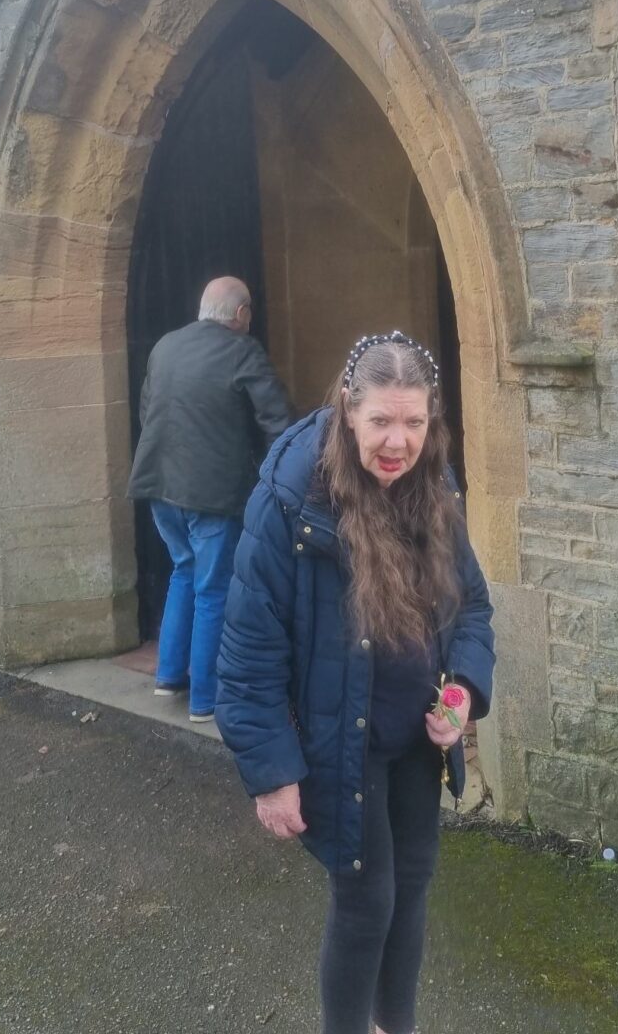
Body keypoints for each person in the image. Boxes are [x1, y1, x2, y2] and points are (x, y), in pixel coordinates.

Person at [216, 330, 495, 1034]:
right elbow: (248, 652)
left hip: (418, 737)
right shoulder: (291, 498)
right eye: (380, 421)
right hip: (342, 737)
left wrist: (462, 690)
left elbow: (472, 606)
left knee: (413, 889)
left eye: (414, 422)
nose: (398, 442)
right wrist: (272, 774)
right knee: (366, 901)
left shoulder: (435, 483)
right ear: (348, 410)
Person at [127, 276, 292, 718]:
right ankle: (206, 699)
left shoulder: (165, 345)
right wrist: (277, 474)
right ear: (241, 313)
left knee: (184, 570)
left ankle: (168, 678)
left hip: (160, 485)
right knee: (213, 588)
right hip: (213, 494)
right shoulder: (243, 351)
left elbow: (147, 412)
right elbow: (277, 421)